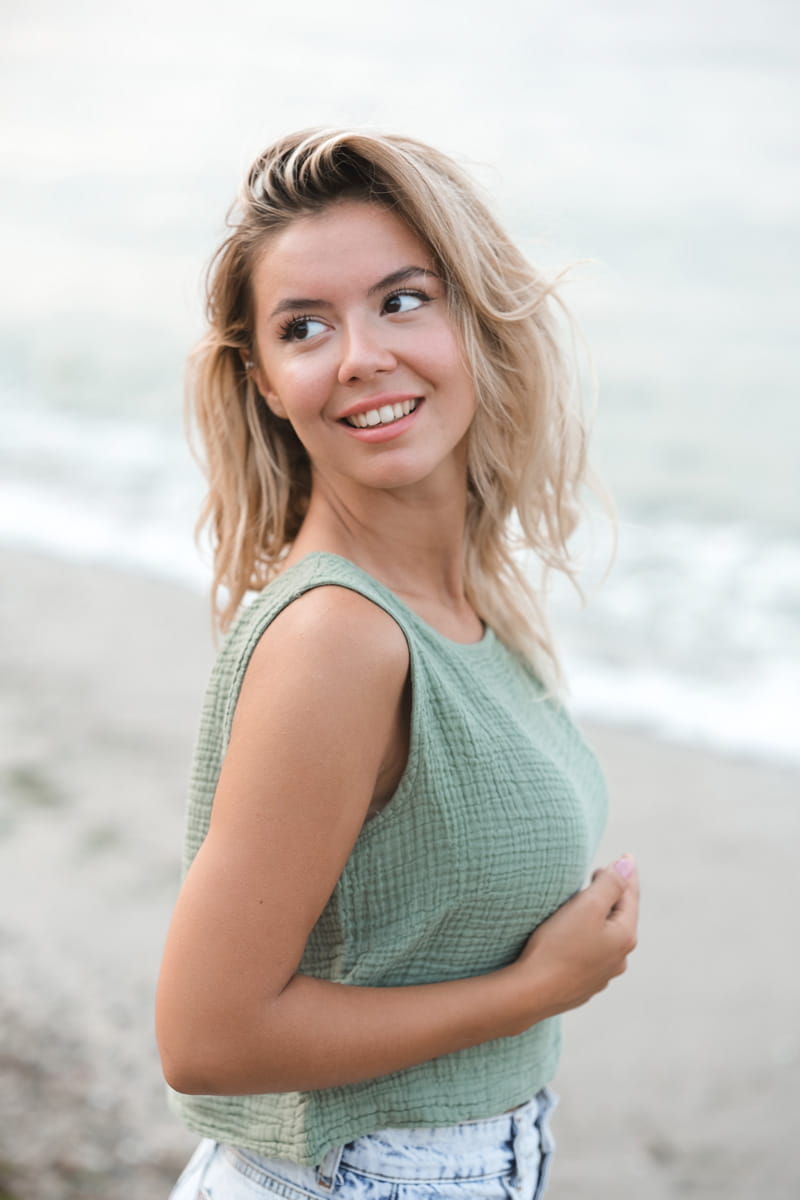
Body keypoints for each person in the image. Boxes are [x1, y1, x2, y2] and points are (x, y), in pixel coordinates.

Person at [156, 127, 639, 1200]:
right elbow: (207, 1038)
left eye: (402, 300)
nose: (361, 354)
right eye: (304, 327)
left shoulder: (460, 598)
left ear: (473, 315)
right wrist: (535, 988)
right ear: (267, 381)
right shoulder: (337, 637)